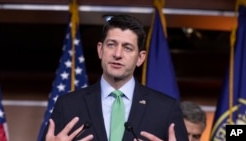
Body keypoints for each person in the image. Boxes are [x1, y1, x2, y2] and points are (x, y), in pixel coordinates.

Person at [42, 14, 188, 141]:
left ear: (140, 58)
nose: (117, 54)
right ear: (100, 50)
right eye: (111, 45)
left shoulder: (166, 109)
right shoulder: (67, 105)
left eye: (127, 48)